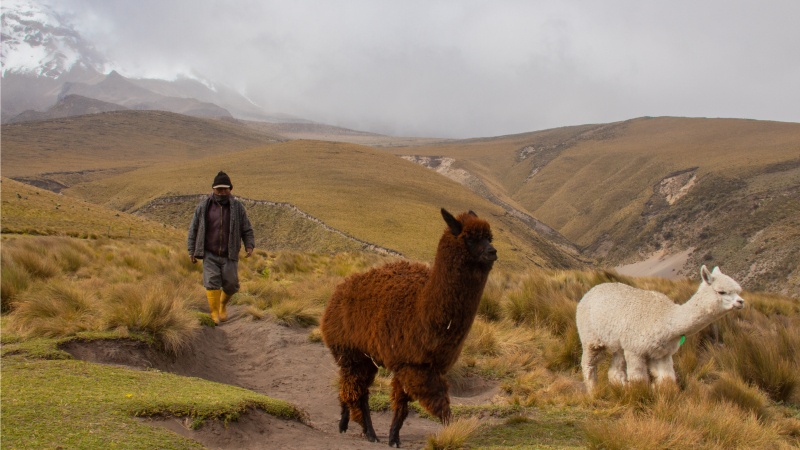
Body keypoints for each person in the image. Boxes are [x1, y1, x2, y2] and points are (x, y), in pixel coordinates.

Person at [188, 171, 255, 325]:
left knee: (231, 285)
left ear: (230, 189)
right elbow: (194, 229)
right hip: (209, 253)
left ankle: (223, 305)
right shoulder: (203, 207)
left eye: (225, 189)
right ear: (213, 189)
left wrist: (249, 245)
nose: (222, 192)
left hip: (229, 253)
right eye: (219, 189)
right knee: (212, 282)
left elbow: (246, 228)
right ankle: (213, 313)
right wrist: (191, 250)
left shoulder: (237, 208)